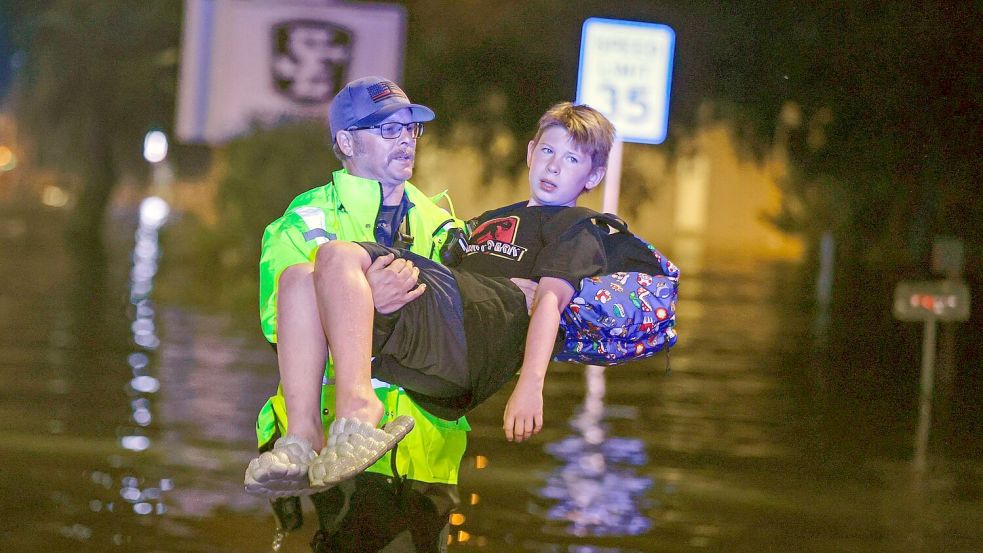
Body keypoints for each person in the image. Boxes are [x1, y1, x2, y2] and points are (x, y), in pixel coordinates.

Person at [246, 101, 618, 494]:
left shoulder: (575, 229)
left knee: (336, 255)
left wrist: (530, 385)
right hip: (426, 343)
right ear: (530, 152)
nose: (555, 166)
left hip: (456, 358)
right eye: (548, 151)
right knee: (298, 277)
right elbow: (279, 324)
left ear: (593, 175)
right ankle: (304, 439)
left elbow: (546, 306)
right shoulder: (483, 223)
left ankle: (357, 408)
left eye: (572, 159)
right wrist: (369, 298)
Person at [250, 76, 470, 552]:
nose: (406, 140)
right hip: (340, 445)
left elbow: (459, 322)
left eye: (410, 129)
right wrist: (368, 296)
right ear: (346, 142)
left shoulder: (441, 224)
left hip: (427, 448)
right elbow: (279, 323)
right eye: (388, 130)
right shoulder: (306, 220)